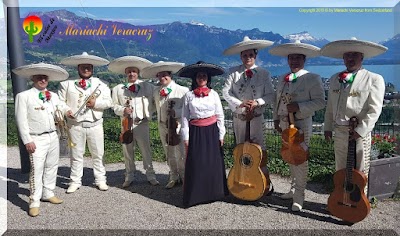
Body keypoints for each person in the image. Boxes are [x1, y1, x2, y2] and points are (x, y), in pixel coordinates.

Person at [322, 37, 388, 194]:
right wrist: (328, 127)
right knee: (340, 169)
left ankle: (359, 205)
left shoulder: (374, 79)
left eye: (354, 55)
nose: (350, 58)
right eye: (347, 55)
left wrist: (361, 130)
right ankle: (341, 200)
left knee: (360, 171)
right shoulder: (334, 79)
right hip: (339, 132)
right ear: (343, 58)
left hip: (358, 133)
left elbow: (375, 109)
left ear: (362, 57)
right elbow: (330, 106)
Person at [269, 40, 325, 211]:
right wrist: (277, 118)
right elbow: (277, 101)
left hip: (302, 124)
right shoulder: (282, 78)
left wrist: (299, 107)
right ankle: (293, 190)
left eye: (298, 58)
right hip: (285, 123)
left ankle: (300, 196)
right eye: (291, 58)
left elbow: (321, 102)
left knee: (300, 158)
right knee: (290, 156)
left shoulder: (312, 78)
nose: (294, 61)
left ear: (304, 59)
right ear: (288, 59)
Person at [13, 63, 69, 217]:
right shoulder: (23, 96)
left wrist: (68, 111)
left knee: (52, 166)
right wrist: (27, 140)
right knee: (36, 170)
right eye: (39, 77)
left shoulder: (54, 96)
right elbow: (21, 120)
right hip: (36, 138)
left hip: (53, 135)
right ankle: (34, 201)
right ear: (33, 78)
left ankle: (48, 193)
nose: (42, 79)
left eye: (45, 77)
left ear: (48, 79)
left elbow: (61, 106)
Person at [222, 36, 275, 184]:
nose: (248, 58)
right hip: (239, 118)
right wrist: (240, 104)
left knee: (259, 149)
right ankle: (242, 177)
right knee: (240, 148)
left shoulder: (264, 73)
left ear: (255, 56)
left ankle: (263, 181)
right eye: (244, 55)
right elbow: (226, 92)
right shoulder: (233, 72)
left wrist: (257, 102)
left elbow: (270, 94)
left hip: (257, 118)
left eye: (250, 55)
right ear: (240, 56)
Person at [58, 52, 113, 193]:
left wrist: (95, 103)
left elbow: (109, 102)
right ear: (78, 67)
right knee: (76, 155)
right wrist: (66, 111)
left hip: (95, 124)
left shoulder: (102, 84)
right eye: (83, 67)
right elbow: (60, 103)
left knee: (98, 154)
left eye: (89, 67)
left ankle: (100, 180)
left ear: (92, 68)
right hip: (75, 125)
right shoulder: (66, 84)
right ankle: (75, 181)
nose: (86, 69)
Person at [177, 61, 228, 208]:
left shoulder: (214, 94)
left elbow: (220, 115)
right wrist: (185, 136)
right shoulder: (188, 96)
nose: (201, 78)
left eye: (204, 76)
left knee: (212, 162)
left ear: (208, 78)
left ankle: (215, 193)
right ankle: (197, 195)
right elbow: (185, 117)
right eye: (199, 76)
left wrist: (221, 134)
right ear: (195, 78)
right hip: (196, 131)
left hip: (212, 131)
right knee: (197, 162)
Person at [108, 56, 159, 187]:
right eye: (129, 71)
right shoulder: (118, 88)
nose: (131, 74)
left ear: (138, 73)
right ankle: (129, 175)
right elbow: (114, 106)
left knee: (146, 150)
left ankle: (150, 175)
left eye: (134, 71)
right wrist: (123, 110)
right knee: (127, 150)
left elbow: (156, 101)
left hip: (142, 123)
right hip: (126, 124)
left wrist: (149, 112)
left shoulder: (148, 86)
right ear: (126, 73)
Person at [142, 61, 188, 189]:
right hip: (162, 125)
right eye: (159, 75)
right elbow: (151, 106)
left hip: (177, 125)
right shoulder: (156, 91)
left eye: (165, 75)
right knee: (168, 151)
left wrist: (176, 112)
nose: (162, 78)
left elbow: (187, 109)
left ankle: (184, 176)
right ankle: (173, 176)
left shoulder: (182, 90)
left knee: (180, 152)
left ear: (170, 75)